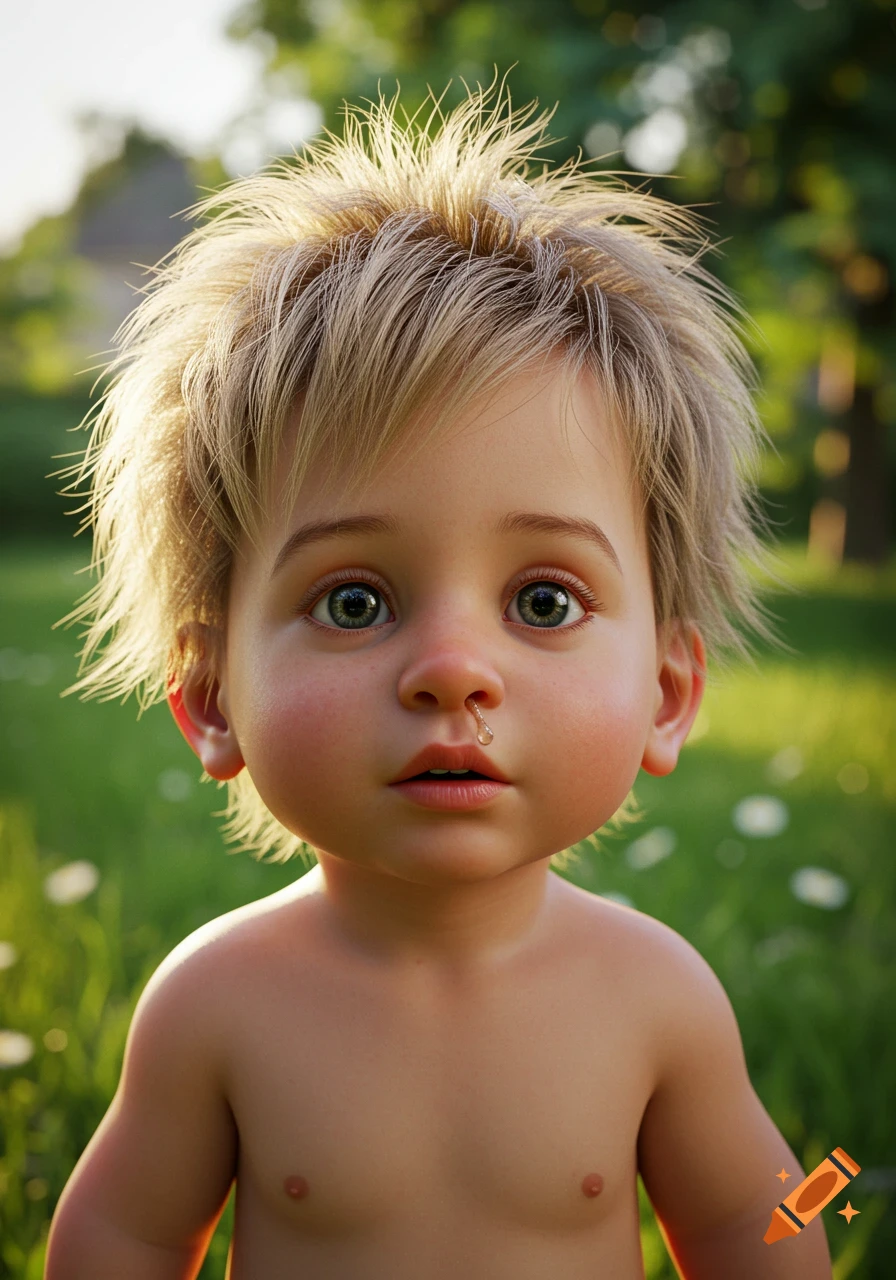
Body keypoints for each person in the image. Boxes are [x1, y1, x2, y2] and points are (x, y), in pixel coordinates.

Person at [44, 78, 832, 1278]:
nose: (453, 669)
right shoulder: (215, 1005)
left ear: (667, 694)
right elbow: (122, 1233)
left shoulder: (653, 996)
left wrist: (816, 1195)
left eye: (542, 601)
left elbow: (750, 1220)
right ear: (210, 698)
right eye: (353, 600)